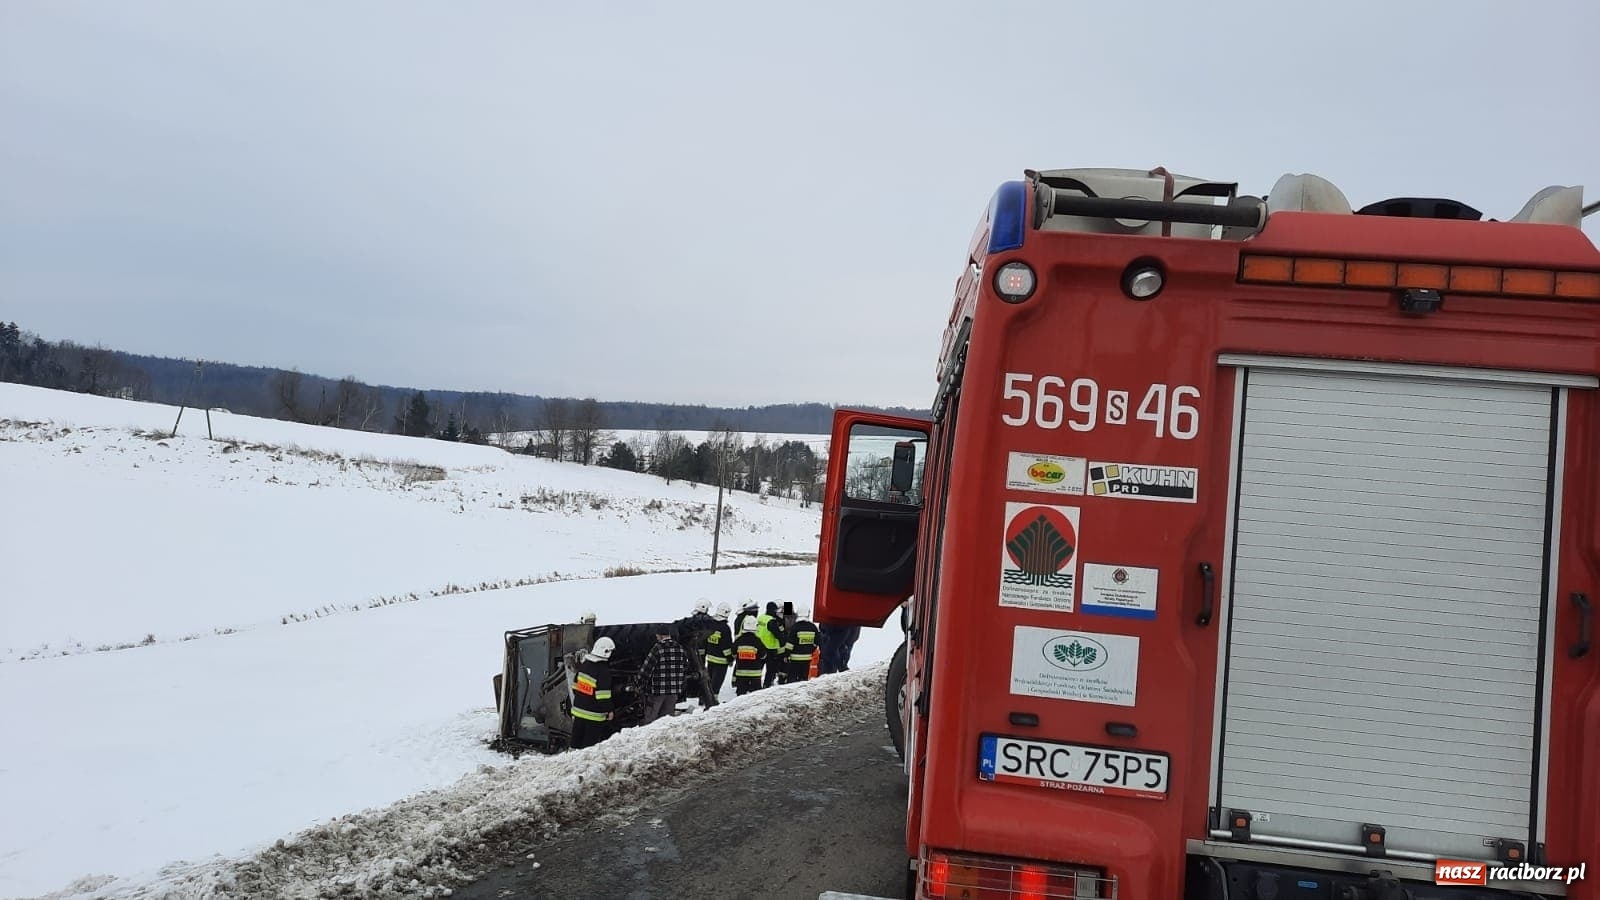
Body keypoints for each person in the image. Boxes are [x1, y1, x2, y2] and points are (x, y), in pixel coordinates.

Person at [637, 625, 691, 725]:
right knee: (667, 720)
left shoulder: (658, 648)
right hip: (673, 691)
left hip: (657, 691)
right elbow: (685, 667)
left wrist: (640, 683)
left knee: (651, 719)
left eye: (657, 636)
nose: (657, 638)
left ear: (660, 636)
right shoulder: (679, 648)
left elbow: (646, 669)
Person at [569, 637, 615, 750]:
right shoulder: (603, 671)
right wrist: (609, 711)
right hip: (593, 716)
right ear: (606, 652)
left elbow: (575, 686)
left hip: (579, 712)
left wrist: (583, 699)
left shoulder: (584, 665)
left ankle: (571, 763)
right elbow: (602, 697)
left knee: (575, 744)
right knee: (589, 748)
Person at [781, 605, 820, 684]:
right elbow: (817, 641)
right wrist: (811, 649)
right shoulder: (813, 627)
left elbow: (790, 644)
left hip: (795, 659)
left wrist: (786, 654)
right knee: (803, 679)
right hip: (807, 658)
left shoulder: (795, 627)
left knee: (792, 679)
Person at [701, 602, 733, 695]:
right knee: (717, 683)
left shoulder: (711, 625)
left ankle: (704, 698)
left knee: (709, 680)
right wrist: (730, 658)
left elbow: (705, 640)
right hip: (721, 661)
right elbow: (726, 646)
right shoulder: (725, 628)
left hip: (710, 658)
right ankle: (713, 701)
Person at [755, 601, 787, 688]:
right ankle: (767, 685)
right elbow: (779, 635)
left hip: (759, 647)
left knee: (758, 669)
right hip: (770, 649)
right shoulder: (771, 621)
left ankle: (755, 686)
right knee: (770, 670)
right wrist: (784, 643)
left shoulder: (760, 617)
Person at [731, 618, 766, 695]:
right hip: (755, 674)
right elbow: (763, 655)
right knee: (756, 695)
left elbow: (733, 653)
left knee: (741, 694)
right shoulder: (757, 641)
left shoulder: (739, 640)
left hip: (741, 673)